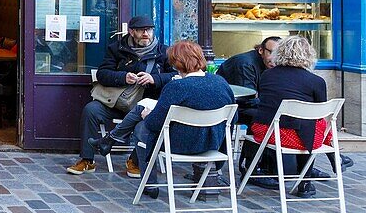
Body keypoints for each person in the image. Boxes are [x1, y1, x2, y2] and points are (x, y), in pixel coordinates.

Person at [67, 15, 175, 178]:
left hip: (145, 107)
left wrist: (155, 79)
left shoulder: (163, 52)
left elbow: (175, 76)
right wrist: (123, 77)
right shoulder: (116, 49)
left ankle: (135, 161)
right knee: (91, 110)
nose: (146, 34)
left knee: (147, 122)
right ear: (132, 32)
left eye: (149, 30)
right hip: (119, 102)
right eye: (141, 30)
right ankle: (87, 160)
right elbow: (102, 74)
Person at [133, 40, 235, 200]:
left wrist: (147, 116)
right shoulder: (221, 83)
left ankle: (149, 184)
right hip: (212, 144)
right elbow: (232, 119)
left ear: (177, 64)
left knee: (141, 128)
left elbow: (155, 124)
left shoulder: (176, 87)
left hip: (179, 145)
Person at [244, 35, 334, 199]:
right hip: (306, 140)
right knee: (316, 124)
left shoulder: (267, 75)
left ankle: (332, 161)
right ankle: (305, 182)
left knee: (308, 124)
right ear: (308, 55)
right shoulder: (317, 81)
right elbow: (321, 114)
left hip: (268, 133)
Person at [216, 36, 279, 124]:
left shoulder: (267, 64)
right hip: (228, 107)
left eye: (279, 55)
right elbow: (247, 98)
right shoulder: (246, 64)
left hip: (239, 104)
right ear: (261, 50)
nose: (275, 59)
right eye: (272, 53)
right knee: (270, 116)